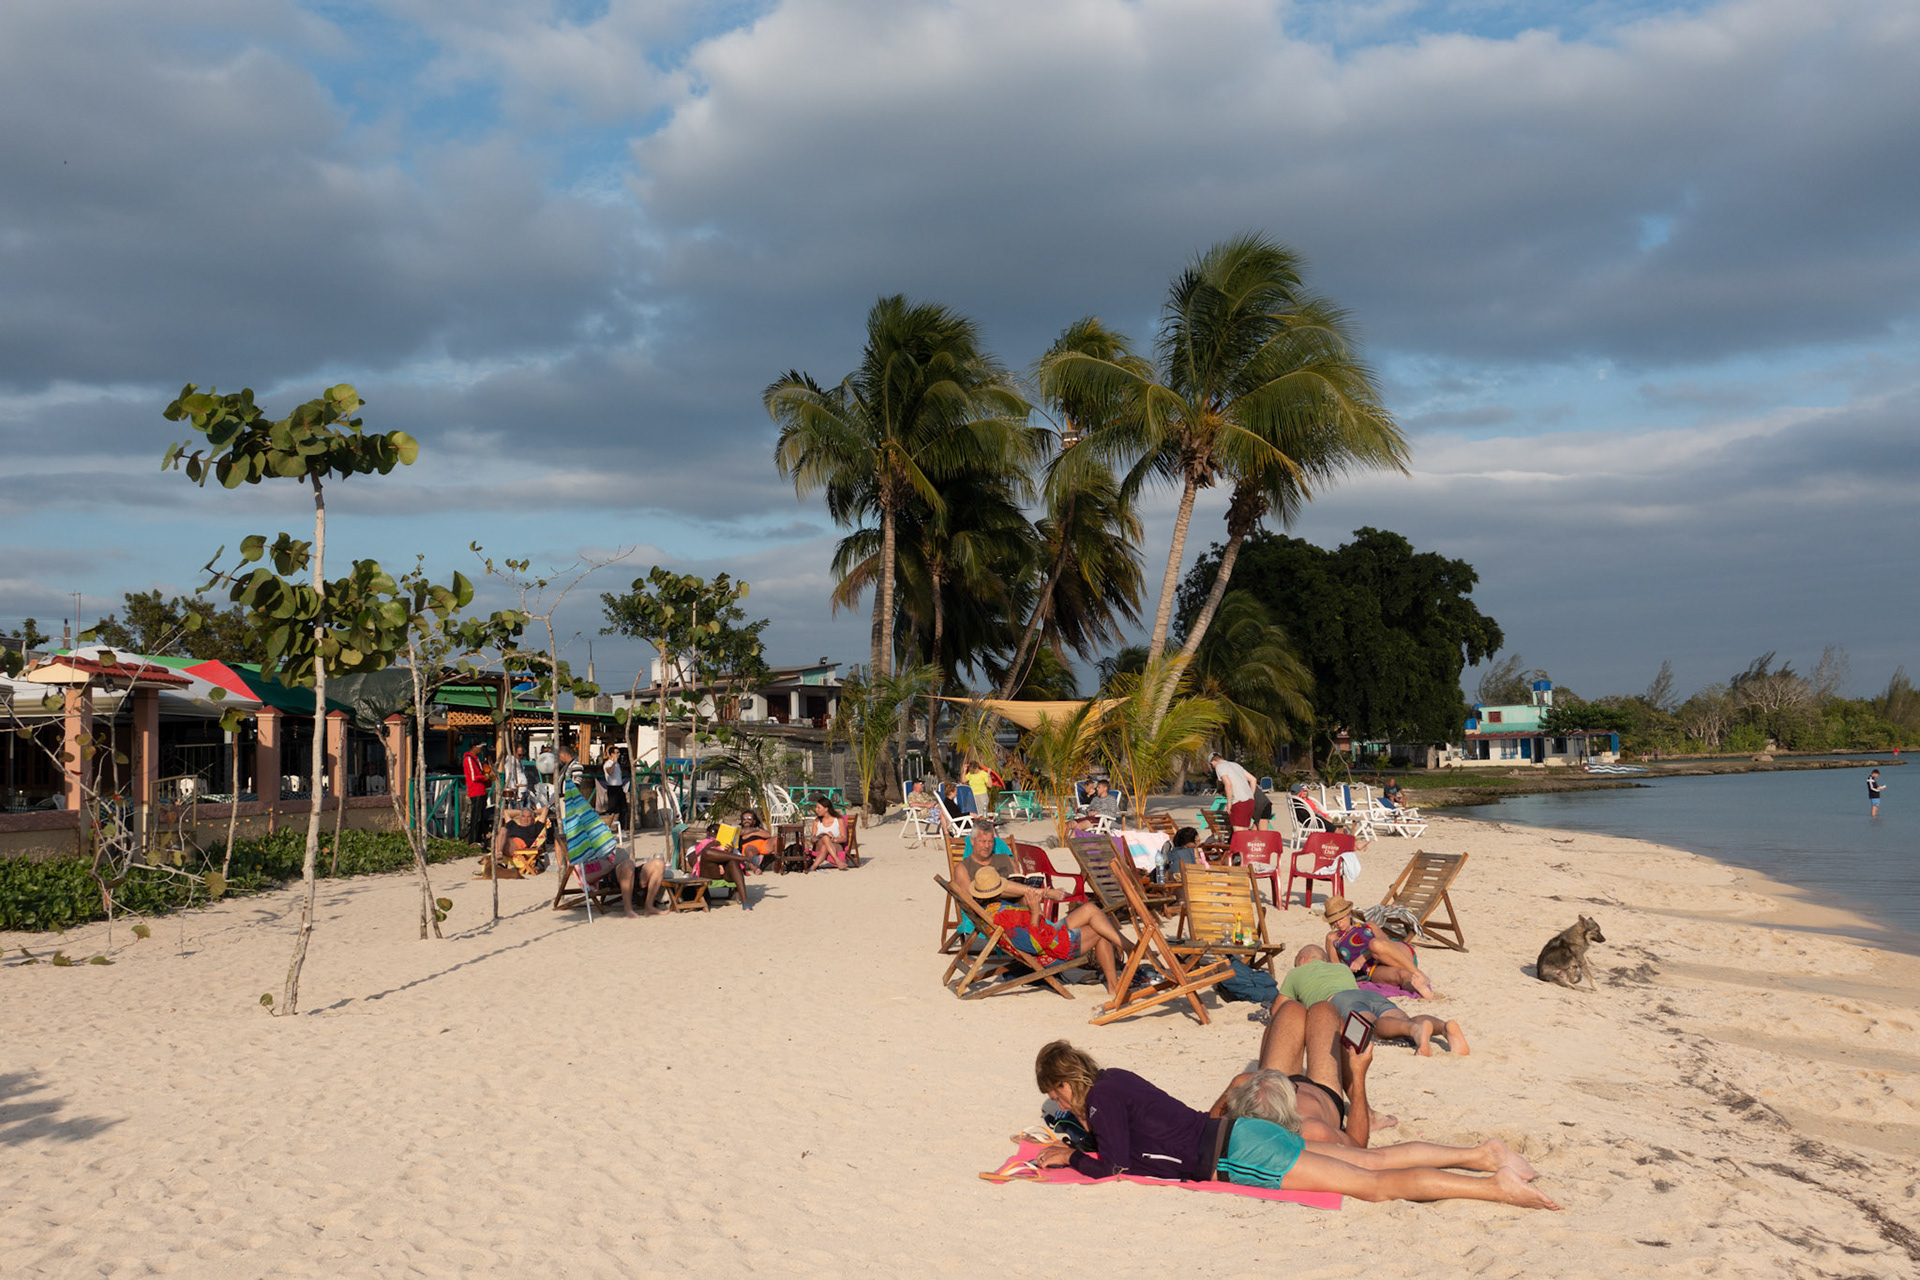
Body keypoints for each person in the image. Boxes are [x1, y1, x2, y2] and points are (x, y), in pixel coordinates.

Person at [1028, 1042, 1557, 1209]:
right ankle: (1481, 1154)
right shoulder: (1114, 1079)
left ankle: (1495, 1188)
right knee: (1371, 1159)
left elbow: (1113, 1164)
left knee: (1373, 1185)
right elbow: (1131, 1135)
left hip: (1238, 1157)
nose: (1058, 1100)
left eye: (1055, 1092)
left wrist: (1071, 1156)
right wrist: (1082, 1137)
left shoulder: (1098, 1101)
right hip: (1245, 1133)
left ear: (1065, 1082)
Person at [969, 872, 1125, 1008]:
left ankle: (1128, 947)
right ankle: (1114, 984)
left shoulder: (989, 910)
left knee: (1090, 909)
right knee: (1100, 931)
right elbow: (1033, 946)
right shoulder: (1005, 917)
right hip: (1050, 950)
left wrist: (1031, 907)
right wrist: (1035, 910)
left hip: (1047, 934)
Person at [1280, 946, 1467, 1057]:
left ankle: (1415, 1030)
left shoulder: (1296, 972)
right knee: (1401, 1020)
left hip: (1340, 1000)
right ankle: (1443, 1027)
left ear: (1303, 959)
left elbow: (1278, 1008)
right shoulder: (1340, 968)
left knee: (1372, 1027)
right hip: (1368, 995)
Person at [554, 746, 665, 917]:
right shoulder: (578, 849)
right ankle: (628, 909)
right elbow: (587, 879)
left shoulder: (597, 840)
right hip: (608, 877)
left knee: (658, 863)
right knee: (627, 864)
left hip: (621, 870)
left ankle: (649, 905)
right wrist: (608, 867)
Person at [1323, 896, 1436, 999]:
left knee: (1375, 944)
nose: (1338, 923)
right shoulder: (1334, 938)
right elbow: (1336, 968)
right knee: (1403, 975)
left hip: (1396, 954)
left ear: (1349, 914)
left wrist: (1361, 959)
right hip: (1373, 968)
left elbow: (1385, 944)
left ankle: (1419, 973)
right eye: (1334, 920)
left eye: (1340, 918)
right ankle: (1422, 991)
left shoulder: (1368, 925)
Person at [685, 823, 756, 910]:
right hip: (707, 873)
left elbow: (740, 866)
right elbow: (694, 863)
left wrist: (729, 853)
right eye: (715, 831)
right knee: (706, 853)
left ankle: (745, 903)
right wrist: (706, 847)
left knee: (733, 861)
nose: (717, 835)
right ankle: (748, 859)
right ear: (707, 833)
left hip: (726, 875)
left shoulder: (731, 847)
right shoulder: (694, 847)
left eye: (720, 832)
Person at [1210, 752, 1258, 829]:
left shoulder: (1220, 766)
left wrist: (1229, 803)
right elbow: (1253, 779)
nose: (1213, 767)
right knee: (1244, 832)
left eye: (1212, 765)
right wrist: (1251, 795)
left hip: (1238, 801)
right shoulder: (1236, 765)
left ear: (1213, 762)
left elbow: (1228, 784)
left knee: (1238, 833)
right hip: (1250, 801)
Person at [462, 743, 493, 847]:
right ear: (474, 747)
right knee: (476, 817)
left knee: (480, 816)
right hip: (476, 791)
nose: (480, 749)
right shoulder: (469, 759)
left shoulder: (476, 759)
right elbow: (473, 776)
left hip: (481, 790)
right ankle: (473, 841)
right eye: (479, 747)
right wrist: (486, 777)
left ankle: (479, 840)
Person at [809, 796, 849, 870]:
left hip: (836, 845)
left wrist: (834, 840)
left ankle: (812, 867)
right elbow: (812, 839)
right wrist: (818, 838)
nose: (816, 809)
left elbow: (844, 838)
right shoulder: (817, 821)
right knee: (825, 837)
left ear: (826, 809)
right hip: (819, 845)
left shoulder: (839, 820)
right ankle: (838, 861)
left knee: (825, 845)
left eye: (818, 808)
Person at [601, 746, 628, 835]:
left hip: (619, 787)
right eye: (616, 753)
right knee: (612, 809)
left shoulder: (618, 764)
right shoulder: (608, 764)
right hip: (612, 788)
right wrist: (614, 762)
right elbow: (610, 772)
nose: (618, 755)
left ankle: (622, 829)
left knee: (623, 809)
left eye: (618, 753)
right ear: (611, 754)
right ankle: (607, 828)